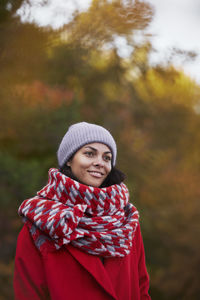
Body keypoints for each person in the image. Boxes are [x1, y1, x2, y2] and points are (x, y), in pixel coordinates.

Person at [14, 122, 151, 300]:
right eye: (89, 153)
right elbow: (29, 294)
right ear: (69, 159)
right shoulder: (42, 222)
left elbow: (141, 289)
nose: (100, 163)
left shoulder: (127, 220)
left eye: (107, 158)